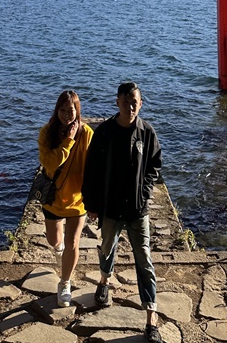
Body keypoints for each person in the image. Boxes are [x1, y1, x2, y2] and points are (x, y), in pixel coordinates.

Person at [82, 82, 163, 343]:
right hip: (110, 207)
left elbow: (154, 165)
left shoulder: (147, 133)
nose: (130, 107)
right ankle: (104, 281)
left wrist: (145, 191)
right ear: (116, 101)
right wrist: (91, 204)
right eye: (126, 101)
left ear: (141, 103)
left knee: (145, 260)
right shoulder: (104, 132)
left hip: (138, 209)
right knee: (107, 247)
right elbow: (91, 169)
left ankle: (151, 315)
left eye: (135, 102)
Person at [38, 90, 93, 307]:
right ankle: (57, 246)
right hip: (53, 198)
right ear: (56, 110)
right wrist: (68, 141)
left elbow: (92, 165)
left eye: (70, 109)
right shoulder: (47, 133)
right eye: (62, 109)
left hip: (77, 200)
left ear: (77, 110)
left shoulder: (87, 133)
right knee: (54, 240)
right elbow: (50, 164)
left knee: (73, 242)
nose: (66, 114)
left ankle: (65, 282)